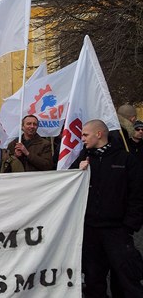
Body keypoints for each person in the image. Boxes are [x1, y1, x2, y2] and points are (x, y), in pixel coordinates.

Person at [72, 119, 143, 297]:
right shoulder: (83, 158)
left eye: (85, 134)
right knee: (94, 280)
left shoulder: (126, 159)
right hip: (90, 231)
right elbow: (68, 187)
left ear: (99, 134)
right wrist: (76, 172)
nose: (82, 139)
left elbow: (138, 194)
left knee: (126, 279)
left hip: (117, 230)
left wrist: (129, 225)